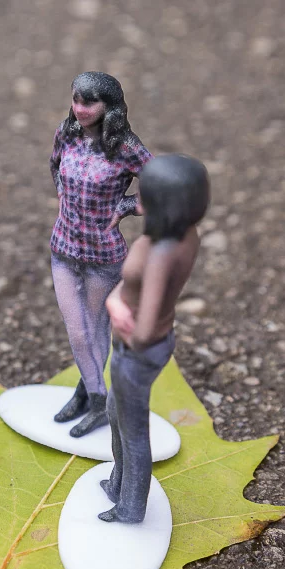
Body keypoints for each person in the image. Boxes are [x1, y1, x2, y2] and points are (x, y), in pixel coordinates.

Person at [99, 153, 210, 523]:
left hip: (137, 351)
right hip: (146, 347)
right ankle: (117, 483)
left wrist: (114, 304)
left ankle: (131, 508)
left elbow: (144, 329)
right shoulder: (185, 235)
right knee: (114, 412)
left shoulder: (161, 253)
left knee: (133, 432)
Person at [49, 72, 153, 437]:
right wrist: (63, 192)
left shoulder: (124, 147)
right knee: (77, 333)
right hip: (63, 248)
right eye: (76, 99)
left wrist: (126, 206)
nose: (79, 109)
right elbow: (54, 165)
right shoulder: (67, 133)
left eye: (88, 102)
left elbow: (160, 186)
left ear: (108, 106)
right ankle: (97, 399)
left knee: (94, 332)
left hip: (103, 256)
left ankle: (86, 395)